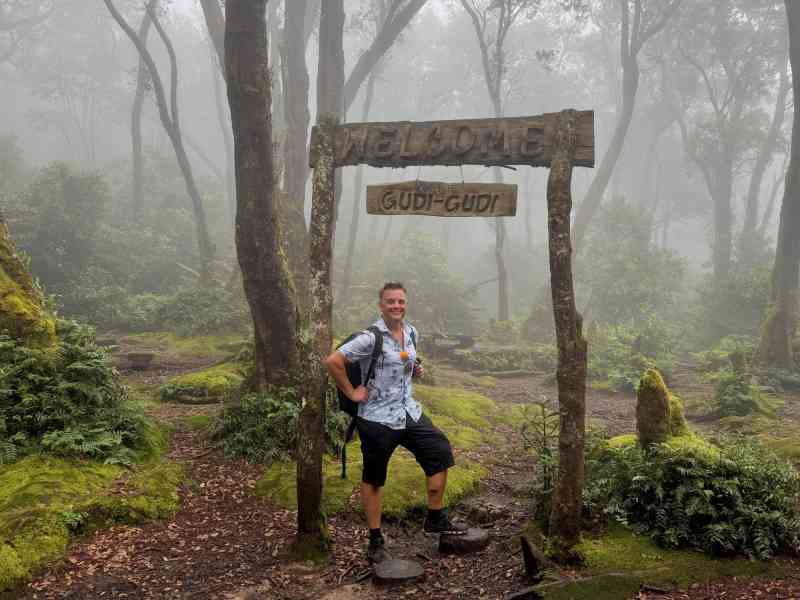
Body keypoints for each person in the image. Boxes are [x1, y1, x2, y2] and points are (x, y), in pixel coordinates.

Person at [325, 281, 467, 564]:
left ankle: (435, 518)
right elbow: (333, 361)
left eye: (400, 301)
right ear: (381, 305)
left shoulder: (411, 331)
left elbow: (407, 363)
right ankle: (375, 539)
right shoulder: (370, 337)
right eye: (391, 301)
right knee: (374, 478)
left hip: (409, 412)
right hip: (377, 418)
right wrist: (352, 392)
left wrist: (415, 369)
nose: (396, 306)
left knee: (439, 452)